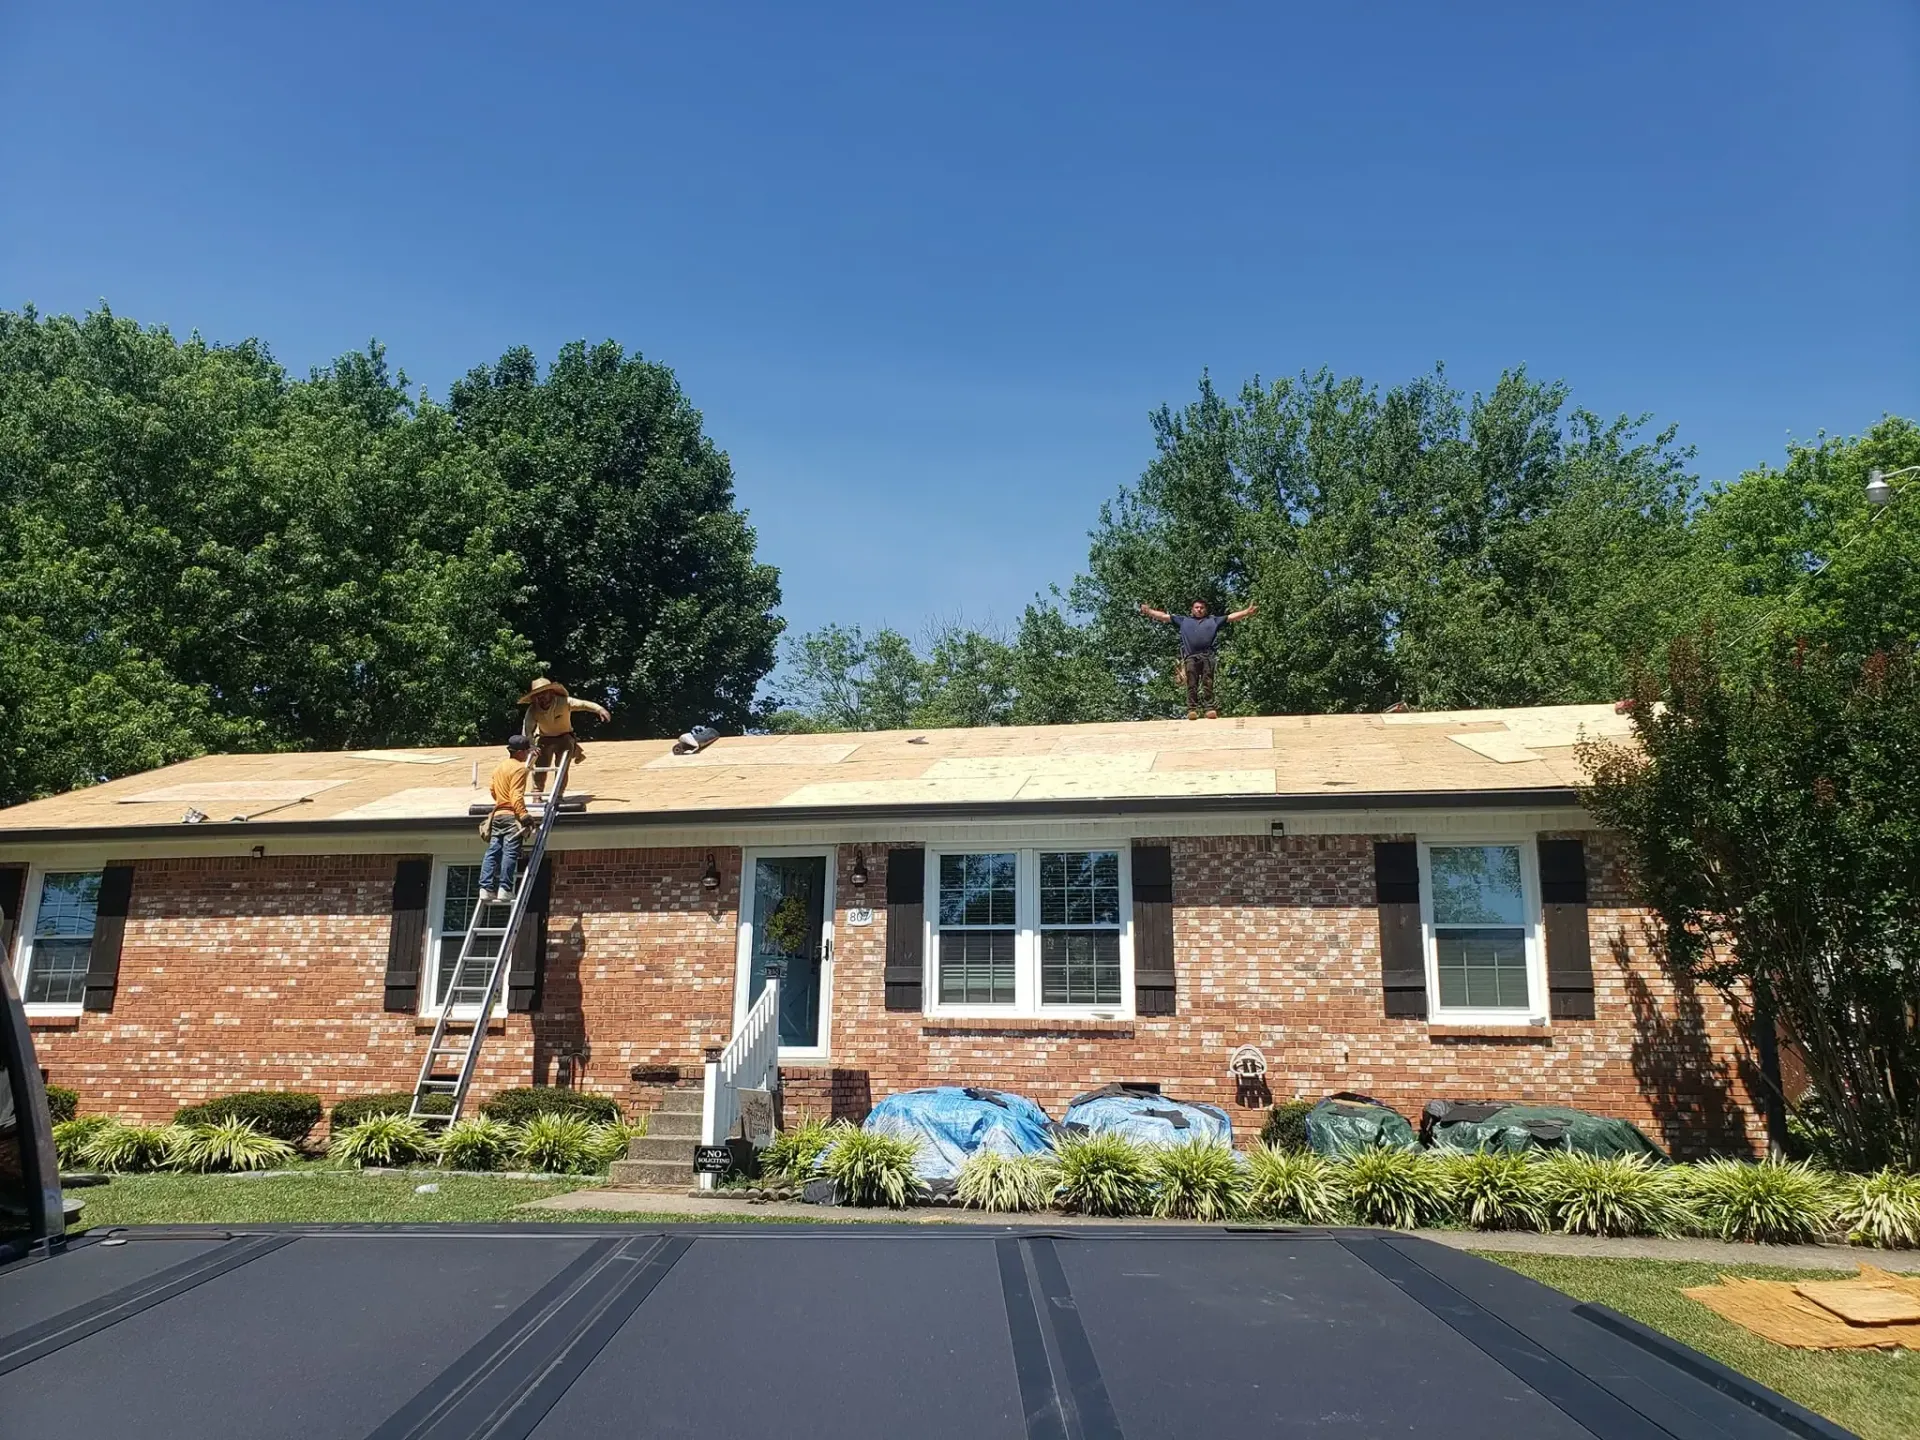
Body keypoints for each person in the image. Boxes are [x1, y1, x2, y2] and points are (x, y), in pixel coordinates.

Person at [1137, 598, 1258, 719]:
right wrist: (1149, 611)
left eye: (1201, 608)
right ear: (1192, 609)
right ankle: (1192, 709)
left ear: (1205, 610)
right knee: (1192, 683)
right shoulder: (1184, 621)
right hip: (1191, 657)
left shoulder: (1213, 621)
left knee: (1208, 682)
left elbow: (1231, 617)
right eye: (1197, 607)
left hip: (1207, 656)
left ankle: (1209, 708)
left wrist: (1247, 612)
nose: (1199, 609)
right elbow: (1164, 617)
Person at [517, 677, 611, 798]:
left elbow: (584, 704)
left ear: (551, 693)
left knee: (561, 767)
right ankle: (537, 794)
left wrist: (600, 709)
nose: (541, 697)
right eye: (538, 695)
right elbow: (527, 729)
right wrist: (531, 746)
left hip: (564, 738)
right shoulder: (533, 709)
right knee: (540, 766)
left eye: (544, 693)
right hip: (544, 738)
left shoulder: (564, 702)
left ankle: (558, 794)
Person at [478, 734, 532, 903]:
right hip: (510, 816)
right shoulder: (519, 769)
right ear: (521, 752)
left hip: (497, 815)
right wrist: (523, 815)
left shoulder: (499, 768)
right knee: (510, 852)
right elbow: (516, 795)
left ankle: (485, 888)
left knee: (493, 851)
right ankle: (505, 889)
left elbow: (494, 791)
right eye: (526, 751)